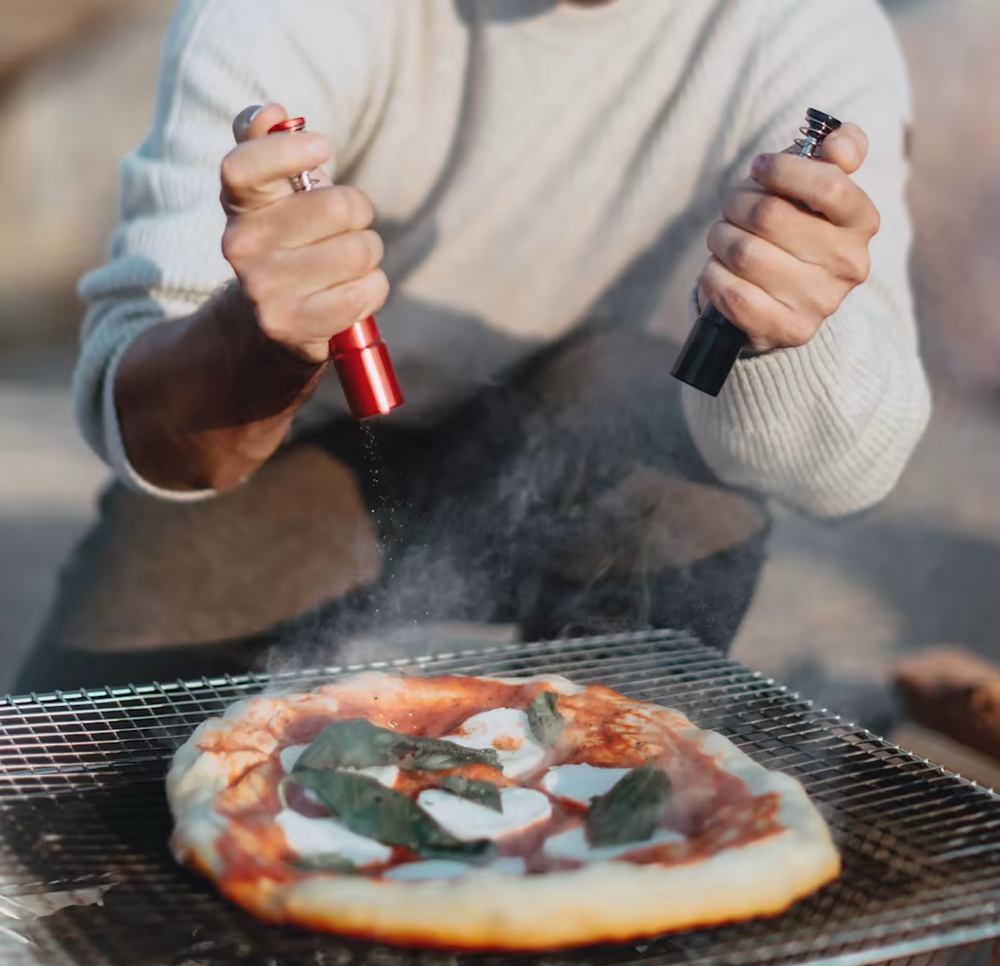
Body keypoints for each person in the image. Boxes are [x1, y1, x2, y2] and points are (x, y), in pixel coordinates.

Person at [15, 0, 930, 693]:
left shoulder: (810, 32)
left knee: (634, 403)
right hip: (306, 442)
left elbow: (849, 477)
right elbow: (150, 427)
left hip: (604, 446)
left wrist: (793, 334)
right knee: (69, 807)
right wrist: (255, 338)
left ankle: (600, 844)